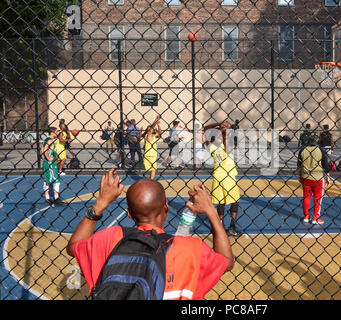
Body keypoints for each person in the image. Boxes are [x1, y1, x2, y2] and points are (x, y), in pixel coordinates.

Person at [66, 169, 234, 300]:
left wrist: (101, 203)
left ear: (129, 214)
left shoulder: (111, 238)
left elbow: (74, 247)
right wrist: (211, 211)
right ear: (166, 207)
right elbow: (226, 262)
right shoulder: (189, 249)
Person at [204, 121, 242, 236]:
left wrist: (221, 125)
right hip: (227, 177)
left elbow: (206, 128)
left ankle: (221, 226)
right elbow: (208, 130)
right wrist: (223, 128)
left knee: (223, 202)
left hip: (219, 176)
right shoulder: (221, 145)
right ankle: (229, 226)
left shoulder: (212, 145)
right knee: (232, 202)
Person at [297, 133, 331, 225]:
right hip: (317, 177)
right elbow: (325, 166)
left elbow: (299, 166)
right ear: (317, 140)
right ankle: (316, 217)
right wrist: (328, 177)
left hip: (305, 176)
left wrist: (299, 176)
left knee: (306, 196)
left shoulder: (303, 150)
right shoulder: (321, 150)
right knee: (318, 198)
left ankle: (306, 216)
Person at [42, 127, 66, 206]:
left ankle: (47, 198)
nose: (57, 133)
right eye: (56, 132)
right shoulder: (50, 140)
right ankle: (56, 198)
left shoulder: (46, 139)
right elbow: (45, 149)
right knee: (56, 180)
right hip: (50, 163)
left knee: (47, 180)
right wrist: (49, 158)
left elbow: (42, 148)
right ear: (52, 133)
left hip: (47, 163)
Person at [143, 115, 162, 179]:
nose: (152, 129)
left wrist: (159, 125)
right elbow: (152, 127)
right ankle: (151, 179)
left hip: (151, 154)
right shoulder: (148, 135)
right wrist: (156, 119)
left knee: (153, 169)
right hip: (149, 154)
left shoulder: (153, 136)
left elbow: (160, 133)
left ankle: (151, 180)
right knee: (152, 169)